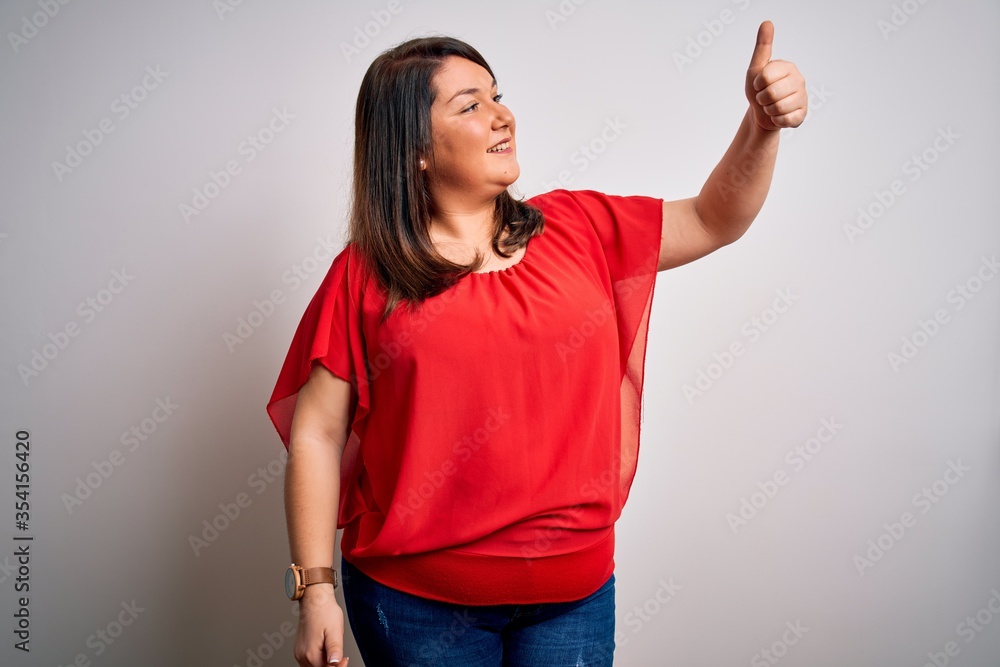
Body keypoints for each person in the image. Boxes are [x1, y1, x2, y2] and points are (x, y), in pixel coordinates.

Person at [266, 21, 806, 667]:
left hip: (573, 596)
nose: (502, 116)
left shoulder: (578, 226)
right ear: (416, 149)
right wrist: (314, 588)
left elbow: (716, 216)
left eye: (497, 94)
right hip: (416, 605)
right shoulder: (363, 274)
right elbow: (317, 435)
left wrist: (761, 124)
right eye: (470, 105)